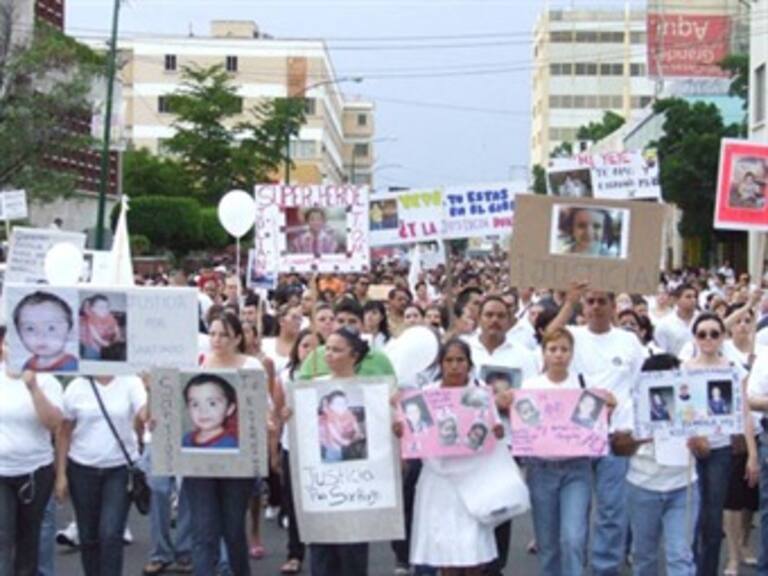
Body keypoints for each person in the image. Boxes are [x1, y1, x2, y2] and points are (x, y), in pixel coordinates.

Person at [547, 284, 646, 576]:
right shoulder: (573, 338)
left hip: (616, 437)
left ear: (613, 305)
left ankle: (605, 569)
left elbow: (641, 386)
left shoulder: (628, 342)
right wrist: (569, 303)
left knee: (612, 513)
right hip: (576, 438)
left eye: (602, 301)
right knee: (574, 518)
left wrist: (636, 431)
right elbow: (548, 338)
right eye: (590, 302)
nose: (596, 307)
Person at [520, 328, 610, 576]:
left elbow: (594, 425)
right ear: (544, 353)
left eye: (564, 349)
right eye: (553, 349)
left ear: (572, 353)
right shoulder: (531, 386)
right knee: (547, 543)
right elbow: (525, 424)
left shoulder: (583, 385)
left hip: (576, 468)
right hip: (541, 467)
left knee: (573, 537)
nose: (558, 355)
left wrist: (607, 408)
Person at [408, 338, 501, 576]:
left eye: (460, 360)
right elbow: (414, 431)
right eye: (449, 360)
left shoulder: (480, 395)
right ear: (440, 364)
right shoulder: (426, 395)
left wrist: (497, 430)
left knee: (473, 550)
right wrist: (403, 428)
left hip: (473, 481)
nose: (455, 366)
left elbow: (494, 433)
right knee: (445, 549)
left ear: (469, 364)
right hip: (438, 482)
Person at [184, 311, 263, 576]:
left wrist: (269, 423)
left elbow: (264, 408)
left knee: (232, 530)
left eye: (224, 335)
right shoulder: (197, 363)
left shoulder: (251, 367)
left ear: (237, 338)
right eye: (213, 333)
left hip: (237, 462)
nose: (217, 340)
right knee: (203, 531)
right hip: (199, 463)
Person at [55, 373, 148, 576]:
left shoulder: (130, 382)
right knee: (88, 536)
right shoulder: (77, 386)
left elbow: (144, 415)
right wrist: (61, 473)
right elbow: (64, 431)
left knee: (110, 533)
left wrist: (153, 391)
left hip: (119, 468)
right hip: (81, 467)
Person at [685, 313, 755, 576]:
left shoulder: (733, 369)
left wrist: (752, 454)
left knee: (714, 519)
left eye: (714, 333)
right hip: (691, 449)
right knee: (692, 517)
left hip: (721, 450)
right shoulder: (684, 369)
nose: (708, 339)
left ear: (722, 337)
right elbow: (680, 413)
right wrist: (691, 437)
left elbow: (744, 411)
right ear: (695, 338)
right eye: (702, 334)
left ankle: (707, 571)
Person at [627, 353, 700, 576]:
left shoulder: (691, 405)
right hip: (643, 486)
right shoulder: (632, 405)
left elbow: (705, 449)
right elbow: (619, 447)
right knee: (644, 555)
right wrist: (643, 437)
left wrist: (698, 443)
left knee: (680, 553)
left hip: (682, 486)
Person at [0, 351, 63, 576]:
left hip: (35, 471)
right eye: (8, 343)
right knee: (3, 537)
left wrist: (33, 387)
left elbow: (54, 423)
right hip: (2, 471)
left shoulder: (47, 380)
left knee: (29, 540)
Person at [274, 329, 321, 574]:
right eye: (305, 346)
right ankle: (295, 552)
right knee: (294, 502)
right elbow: (277, 413)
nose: (309, 351)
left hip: (322, 449)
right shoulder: (286, 376)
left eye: (315, 347)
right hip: (293, 446)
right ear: (297, 349)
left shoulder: (329, 377)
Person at [13, 291, 78, 372]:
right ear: (19, 333)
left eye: (51, 328)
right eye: (30, 328)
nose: (41, 336)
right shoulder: (28, 364)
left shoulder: (73, 366)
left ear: (70, 332)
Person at [181, 374, 238, 449]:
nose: (203, 411)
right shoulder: (186, 439)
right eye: (195, 404)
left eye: (212, 404)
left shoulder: (231, 444)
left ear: (229, 409)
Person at [655, 284, 698, 356]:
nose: (693, 300)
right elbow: (661, 351)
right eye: (688, 297)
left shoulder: (703, 320)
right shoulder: (664, 324)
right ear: (676, 300)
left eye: (695, 297)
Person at [79, 294, 121, 360]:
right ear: (92, 309)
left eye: (107, 307)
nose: (104, 310)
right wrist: (101, 342)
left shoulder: (110, 317)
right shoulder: (90, 319)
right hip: (91, 344)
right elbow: (94, 335)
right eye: (101, 307)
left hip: (107, 339)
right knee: (91, 354)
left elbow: (116, 327)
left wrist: (117, 336)